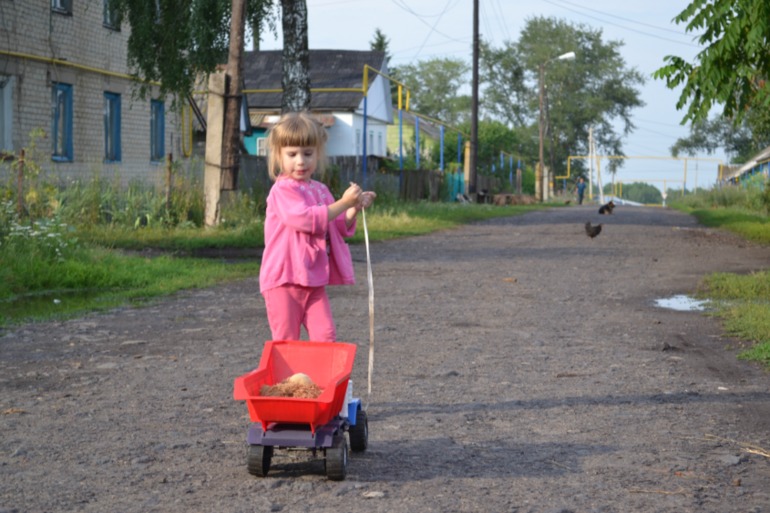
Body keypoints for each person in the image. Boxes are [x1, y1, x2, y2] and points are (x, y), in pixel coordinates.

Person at [259, 111, 376, 342]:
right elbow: (305, 219)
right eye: (292, 154)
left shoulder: (320, 189)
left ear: (318, 154)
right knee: (286, 339)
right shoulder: (283, 190)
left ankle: (320, 379)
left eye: (308, 153)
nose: (300, 161)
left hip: (312, 279)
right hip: (284, 278)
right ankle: (287, 379)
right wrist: (343, 202)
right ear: (278, 155)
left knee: (325, 336)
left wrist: (353, 208)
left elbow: (336, 226)